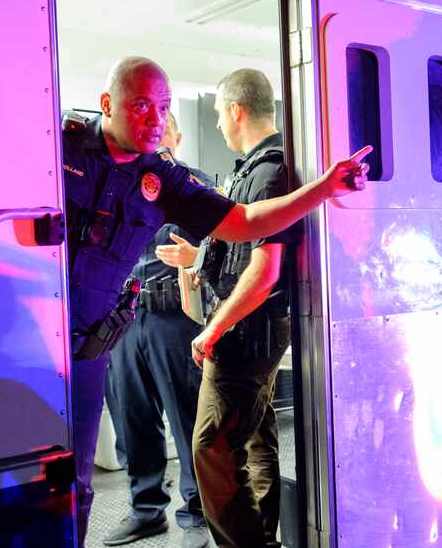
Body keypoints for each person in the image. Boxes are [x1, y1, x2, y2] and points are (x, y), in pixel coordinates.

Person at [62, 55, 371, 544]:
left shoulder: (161, 179)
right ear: (107, 104)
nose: (155, 118)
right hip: (30, 340)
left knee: (73, 487)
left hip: (86, 353)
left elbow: (246, 221)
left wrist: (324, 188)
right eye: (141, 105)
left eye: (162, 108)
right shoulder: (59, 145)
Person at [156, 68, 293, 548]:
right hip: (251, 330)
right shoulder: (256, 170)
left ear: (236, 111)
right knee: (256, 439)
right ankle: (263, 537)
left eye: (218, 114)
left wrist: (212, 329)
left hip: (244, 334)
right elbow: (240, 256)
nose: (217, 125)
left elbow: (265, 271)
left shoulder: (268, 173)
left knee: (211, 449)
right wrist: (201, 259)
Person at [102, 112, 212, 548]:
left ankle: (197, 514)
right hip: (125, 321)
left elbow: (222, 250)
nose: (156, 131)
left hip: (175, 319)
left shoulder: (195, 187)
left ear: (178, 136)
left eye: (165, 124)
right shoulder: (118, 186)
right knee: (133, 419)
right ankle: (146, 511)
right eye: (148, 125)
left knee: (188, 419)